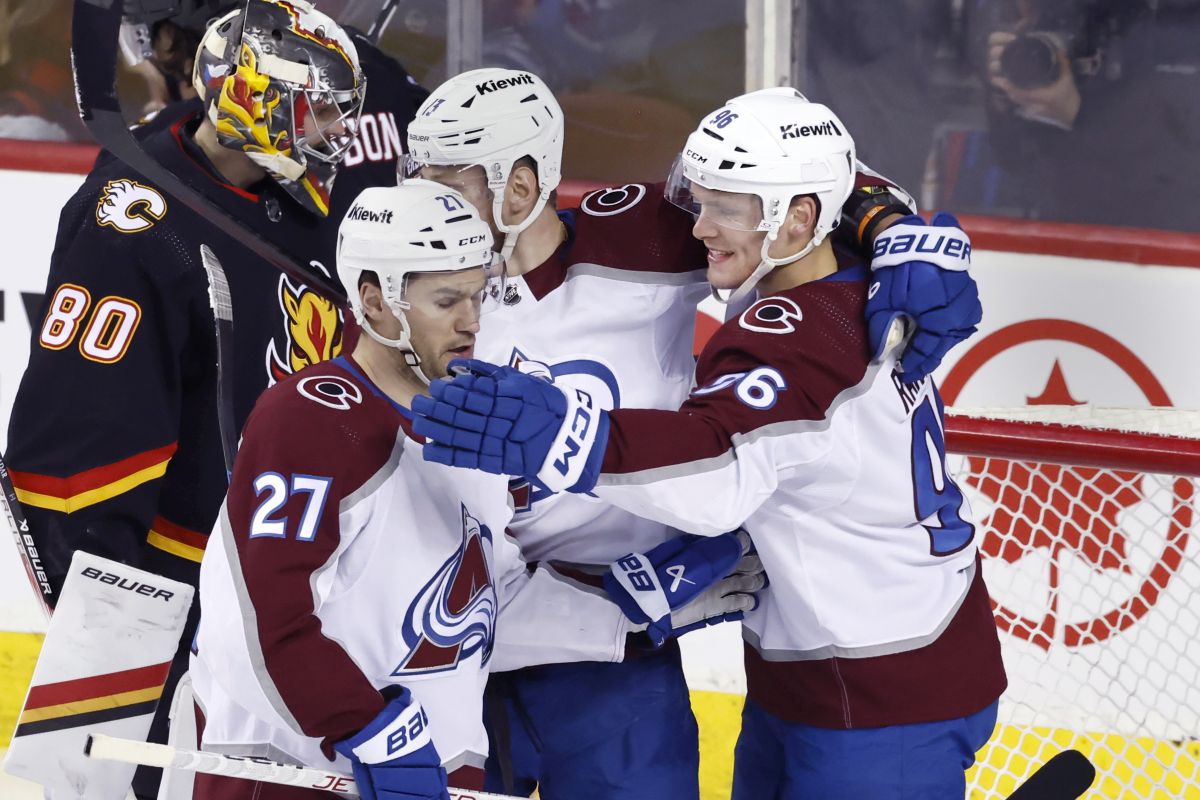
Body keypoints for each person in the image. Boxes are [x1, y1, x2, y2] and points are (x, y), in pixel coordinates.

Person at [411, 89, 1008, 799]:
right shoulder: (817, 285)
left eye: (726, 207)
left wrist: (558, 432)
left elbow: (718, 465)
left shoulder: (795, 334)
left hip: (880, 683)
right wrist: (888, 222)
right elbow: (818, 180)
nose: (698, 227)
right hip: (817, 672)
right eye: (701, 200)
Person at [189, 178, 763, 800]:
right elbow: (249, 620)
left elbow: (481, 612)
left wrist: (631, 607)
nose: (472, 322)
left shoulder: (469, 424)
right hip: (296, 775)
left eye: (478, 296)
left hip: (427, 774)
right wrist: (366, 728)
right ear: (375, 301)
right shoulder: (312, 418)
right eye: (445, 302)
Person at [4, 2, 420, 797]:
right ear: (260, 102)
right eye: (321, 108)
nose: (337, 130)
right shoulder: (133, 227)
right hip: (187, 599)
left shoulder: (295, 207)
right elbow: (71, 460)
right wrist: (125, 639)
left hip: (274, 581)